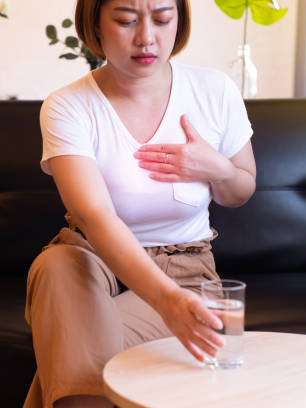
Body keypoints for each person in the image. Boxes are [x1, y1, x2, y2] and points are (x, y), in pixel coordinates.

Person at [23, 0, 256, 406]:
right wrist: (166, 301)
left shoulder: (213, 90)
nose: (147, 37)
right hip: (91, 262)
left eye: (163, 19)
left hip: (186, 270)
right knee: (56, 266)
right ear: (94, 24)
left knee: (71, 342)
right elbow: (93, 215)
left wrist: (216, 168)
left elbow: (241, 191)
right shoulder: (67, 105)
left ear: (178, 21)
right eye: (126, 20)